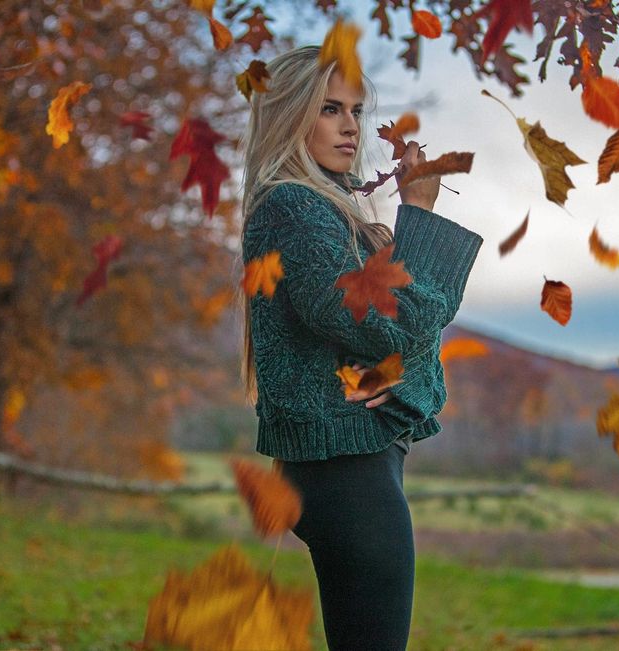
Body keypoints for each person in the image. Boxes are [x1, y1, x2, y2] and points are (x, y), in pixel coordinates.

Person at [237, 45, 483, 650]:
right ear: (290, 117)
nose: (350, 125)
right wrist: (419, 217)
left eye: (354, 109)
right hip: (346, 475)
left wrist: (399, 371)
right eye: (328, 109)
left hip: (356, 467)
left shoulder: (329, 214)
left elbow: (410, 352)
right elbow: (392, 327)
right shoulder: (294, 209)